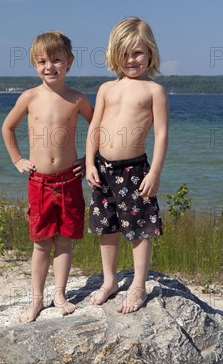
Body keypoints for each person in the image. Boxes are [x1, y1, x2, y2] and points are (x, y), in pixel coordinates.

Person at [1, 30, 93, 323]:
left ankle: (60, 294)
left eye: (56, 60)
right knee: (41, 243)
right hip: (39, 181)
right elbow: (8, 128)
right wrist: (17, 159)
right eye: (42, 61)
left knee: (65, 240)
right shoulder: (29, 97)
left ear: (70, 62)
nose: (49, 66)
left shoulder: (77, 99)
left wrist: (87, 160)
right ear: (34, 64)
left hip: (69, 180)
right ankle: (37, 299)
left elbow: (99, 129)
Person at [85, 17, 169, 314]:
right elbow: (94, 126)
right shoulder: (107, 88)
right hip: (104, 170)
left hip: (135, 171)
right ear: (113, 55)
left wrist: (155, 172)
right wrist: (88, 163)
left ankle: (138, 286)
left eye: (137, 53)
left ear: (150, 54)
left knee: (139, 229)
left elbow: (161, 135)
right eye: (125, 54)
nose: (131, 60)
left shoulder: (153, 91)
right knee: (106, 227)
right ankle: (109, 281)